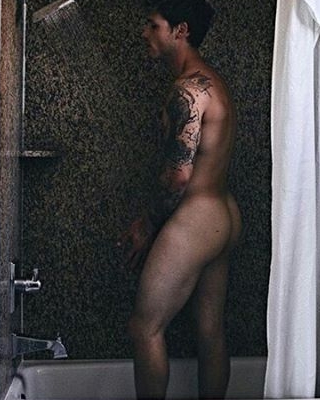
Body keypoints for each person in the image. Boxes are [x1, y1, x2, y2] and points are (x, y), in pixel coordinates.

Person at [118, 1, 241, 399]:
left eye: (153, 25)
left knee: (144, 328)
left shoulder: (186, 90)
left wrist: (147, 225)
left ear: (180, 30)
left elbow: (178, 176)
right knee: (210, 330)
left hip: (197, 219)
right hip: (223, 214)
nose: (144, 33)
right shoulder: (213, 82)